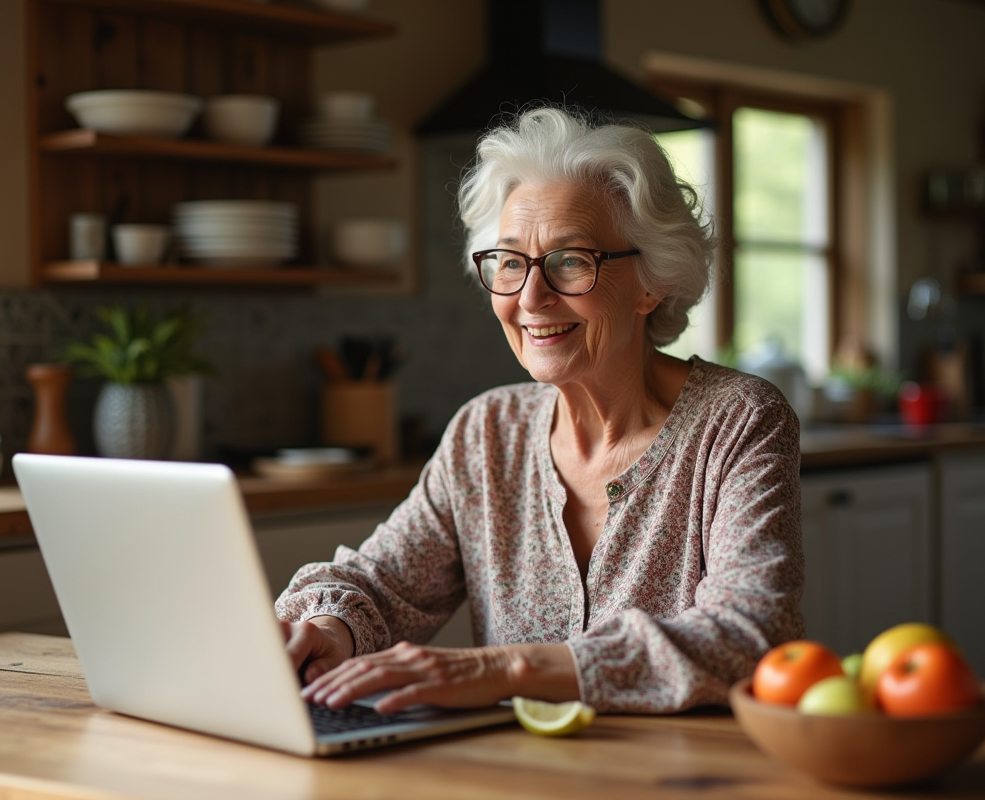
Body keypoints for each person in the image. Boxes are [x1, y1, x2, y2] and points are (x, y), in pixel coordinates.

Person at [277, 106, 805, 716]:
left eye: (571, 261)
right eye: (509, 262)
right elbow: (383, 584)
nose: (530, 297)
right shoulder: (487, 432)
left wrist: (507, 667)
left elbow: (753, 635)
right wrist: (326, 629)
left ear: (651, 281)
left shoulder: (736, 420)